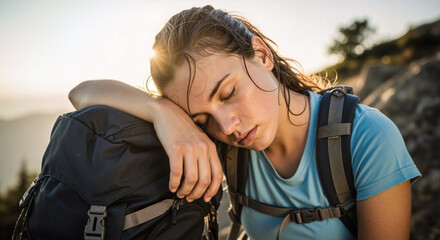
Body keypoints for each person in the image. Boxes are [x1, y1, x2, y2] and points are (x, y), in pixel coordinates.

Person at [69, 5, 421, 239]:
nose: (226, 127)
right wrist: (162, 113)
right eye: (201, 118)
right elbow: (82, 94)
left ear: (262, 55)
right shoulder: (223, 145)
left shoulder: (366, 138)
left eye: (227, 92)